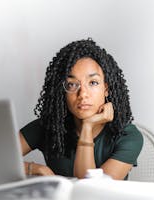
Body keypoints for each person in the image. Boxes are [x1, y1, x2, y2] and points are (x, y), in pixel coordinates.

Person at [19, 38, 143, 180]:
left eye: (93, 82)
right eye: (72, 84)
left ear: (106, 89)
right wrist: (35, 168)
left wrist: (87, 127)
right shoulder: (50, 126)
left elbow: (91, 192)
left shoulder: (128, 136)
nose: (83, 94)